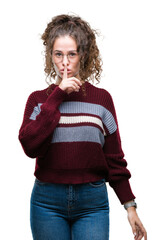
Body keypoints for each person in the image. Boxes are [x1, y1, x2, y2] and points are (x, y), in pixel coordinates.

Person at [18, 14, 147, 240]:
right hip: (47, 202)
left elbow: (114, 158)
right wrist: (57, 95)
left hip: (92, 203)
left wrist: (130, 206)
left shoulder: (101, 99)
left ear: (82, 56)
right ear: (50, 57)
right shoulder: (38, 100)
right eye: (58, 54)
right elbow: (30, 146)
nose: (65, 63)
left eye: (71, 54)